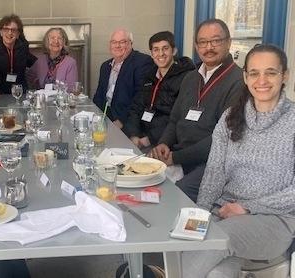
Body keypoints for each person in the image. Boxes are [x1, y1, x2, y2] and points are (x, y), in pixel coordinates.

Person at [182, 44, 295, 278]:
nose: (261, 80)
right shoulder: (231, 117)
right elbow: (214, 173)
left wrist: (247, 207)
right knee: (213, 268)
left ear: (285, 75)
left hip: (275, 220)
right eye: (254, 72)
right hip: (225, 212)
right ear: (245, 76)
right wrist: (202, 213)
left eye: (271, 72)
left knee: (220, 237)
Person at [150, 19, 244, 202]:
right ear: (196, 46)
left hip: (211, 162)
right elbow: (175, 119)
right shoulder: (191, 77)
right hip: (181, 154)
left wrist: (176, 157)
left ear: (229, 42)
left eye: (215, 40)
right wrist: (164, 143)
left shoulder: (238, 81)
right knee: (147, 184)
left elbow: (221, 139)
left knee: (176, 196)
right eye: (203, 42)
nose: (209, 47)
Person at [125, 31, 195, 150]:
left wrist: (149, 139)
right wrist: (133, 134)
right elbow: (136, 108)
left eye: (165, 48)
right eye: (156, 50)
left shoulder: (186, 78)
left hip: (165, 143)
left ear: (174, 51)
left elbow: (178, 117)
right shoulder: (149, 76)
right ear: (151, 54)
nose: (160, 54)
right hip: (141, 138)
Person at [93, 28, 153, 129]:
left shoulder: (142, 62)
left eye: (122, 42)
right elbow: (99, 95)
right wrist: (95, 114)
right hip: (105, 117)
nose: (117, 45)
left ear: (131, 43)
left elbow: (141, 98)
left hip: (126, 121)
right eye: (114, 42)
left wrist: (121, 121)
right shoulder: (105, 66)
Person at [0, 14, 37, 100]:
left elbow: (35, 63)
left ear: (18, 34)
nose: (10, 33)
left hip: (20, 93)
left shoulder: (23, 48)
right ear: (1, 32)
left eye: (13, 30)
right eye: (6, 29)